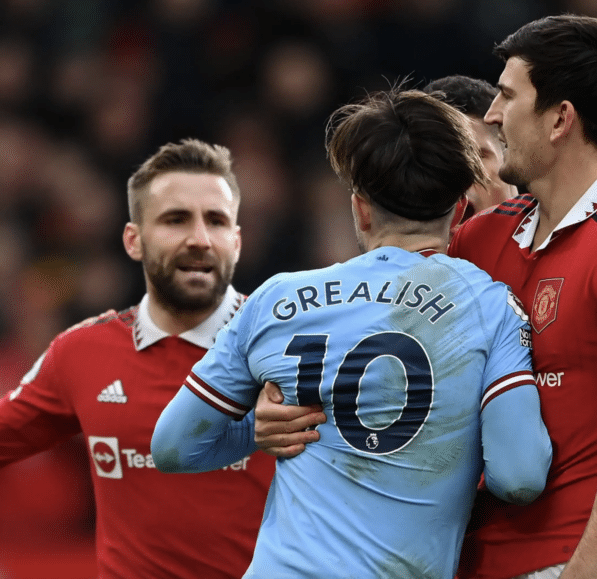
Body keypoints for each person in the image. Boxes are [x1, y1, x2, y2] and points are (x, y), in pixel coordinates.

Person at [253, 18, 597, 579]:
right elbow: (378, 340)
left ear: (559, 119)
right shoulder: (481, 238)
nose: (495, 114)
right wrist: (279, 402)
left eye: (508, 95)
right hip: (474, 560)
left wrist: (585, 573)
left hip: (579, 562)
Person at [150, 89, 552, 579]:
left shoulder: (275, 299)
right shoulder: (490, 306)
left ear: (360, 209)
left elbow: (172, 446)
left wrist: (255, 433)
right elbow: (520, 476)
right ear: (460, 209)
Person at [0, 138, 275, 579]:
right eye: (175, 219)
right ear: (134, 240)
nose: (200, 239)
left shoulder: (290, 348)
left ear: (237, 241)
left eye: (217, 221)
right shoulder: (80, 353)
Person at [423, 74, 517, 221]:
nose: (455, 175)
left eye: (471, 158)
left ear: (510, 160)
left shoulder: (558, 237)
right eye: (435, 162)